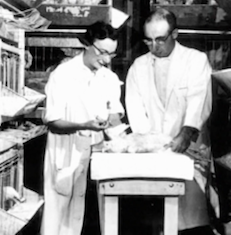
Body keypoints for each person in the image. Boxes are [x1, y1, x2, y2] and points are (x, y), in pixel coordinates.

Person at [125, 8, 214, 235]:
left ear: (175, 34)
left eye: (160, 40)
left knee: (189, 219)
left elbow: (199, 100)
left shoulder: (195, 60)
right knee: (157, 218)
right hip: (154, 154)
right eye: (149, 41)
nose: (154, 47)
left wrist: (187, 132)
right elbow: (135, 109)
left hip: (189, 150)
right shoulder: (138, 66)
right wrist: (149, 143)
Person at [41, 21, 124, 235]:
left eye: (111, 54)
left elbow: (115, 113)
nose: (106, 60)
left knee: (94, 214)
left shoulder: (109, 77)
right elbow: (53, 121)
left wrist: (111, 122)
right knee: (58, 218)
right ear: (86, 44)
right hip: (66, 150)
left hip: (97, 152)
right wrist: (82, 125)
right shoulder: (63, 74)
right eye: (102, 52)